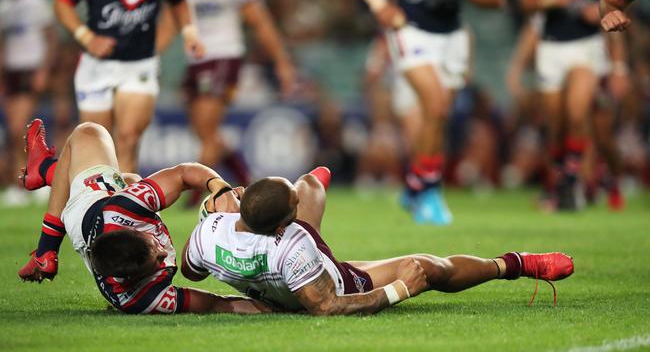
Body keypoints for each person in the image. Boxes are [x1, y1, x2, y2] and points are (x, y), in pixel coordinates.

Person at [182, 168, 574, 315]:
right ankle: (515, 264)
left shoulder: (206, 231)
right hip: (326, 280)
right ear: (288, 224)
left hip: (280, 274)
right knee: (428, 267)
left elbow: (191, 271)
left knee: (311, 184)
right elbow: (327, 307)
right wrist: (400, 290)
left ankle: (311, 185)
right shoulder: (296, 241)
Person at [17, 119, 268, 314]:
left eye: (153, 245)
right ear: (131, 279)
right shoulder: (143, 299)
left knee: (90, 134)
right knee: (117, 167)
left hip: (89, 206)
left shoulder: (125, 208)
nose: (163, 252)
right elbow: (216, 304)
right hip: (90, 226)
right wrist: (269, 307)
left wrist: (219, 186)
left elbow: (182, 174)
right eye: (156, 261)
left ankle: (45, 247)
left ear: (134, 229)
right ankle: (43, 179)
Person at [357, 0, 505, 225]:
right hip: (410, 29)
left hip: (454, 37)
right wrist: (378, 3)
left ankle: (416, 184)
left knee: (438, 119)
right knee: (436, 108)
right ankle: (429, 189)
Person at [157, 0, 296, 199]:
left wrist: (282, 62)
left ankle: (198, 199)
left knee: (207, 130)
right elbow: (169, 23)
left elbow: (260, 21)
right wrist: (149, 59)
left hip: (224, 56)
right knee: (205, 133)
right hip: (195, 61)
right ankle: (246, 179)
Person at [53, 0, 204, 173]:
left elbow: (178, 0)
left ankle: (123, 200)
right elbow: (62, 3)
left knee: (129, 139)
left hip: (139, 64)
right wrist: (87, 38)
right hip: (96, 66)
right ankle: (98, 198)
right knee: (95, 141)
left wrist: (190, 34)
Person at [520, 0, 628, 210]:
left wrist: (619, 67)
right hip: (551, 49)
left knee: (579, 115)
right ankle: (564, 182)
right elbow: (527, 3)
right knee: (556, 127)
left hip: (587, 49)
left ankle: (572, 181)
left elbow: (615, 8)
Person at [0, 0, 56, 206]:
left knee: (18, 128)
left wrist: (44, 69)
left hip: (31, 69)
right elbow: (3, 44)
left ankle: (28, 181)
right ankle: (27, 181)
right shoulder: (5, 5)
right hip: (12, 72)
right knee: (17, 133)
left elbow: (51, 37)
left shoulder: (36, 1)